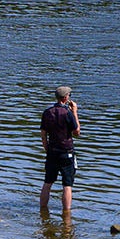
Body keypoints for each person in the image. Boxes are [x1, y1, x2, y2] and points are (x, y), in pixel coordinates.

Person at [39, 85, 80, 214]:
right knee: (67, 185)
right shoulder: (67, 112)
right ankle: (66, 214)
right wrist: (75, 112)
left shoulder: (47, 112)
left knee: (47, 183)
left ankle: (43, 211)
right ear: (66, 97)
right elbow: (76, 132)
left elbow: (43, 133)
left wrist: (47, 148)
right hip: (66, 152)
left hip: (52, 151)